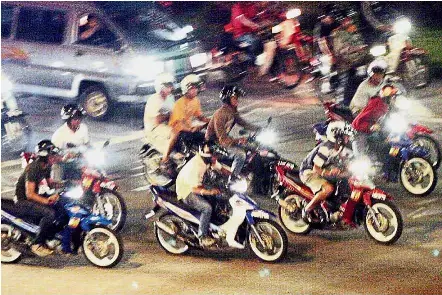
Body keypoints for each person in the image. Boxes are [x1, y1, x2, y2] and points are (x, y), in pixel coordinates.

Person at [14, 140, 66, 257]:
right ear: (45, 156)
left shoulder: (46, 167)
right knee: (49, 214)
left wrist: (65, 184)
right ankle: (37, 244)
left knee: (61, 207)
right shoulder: (33, 168)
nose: (54, 157)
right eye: (52, 155)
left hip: (34, 197)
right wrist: (46, 201)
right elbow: (30, 194)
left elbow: (49, 183)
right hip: (23, 201)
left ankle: (50, 237)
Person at [175, 142, 231, 247]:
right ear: (209, 156)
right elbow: (194, 189)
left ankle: (216, 221)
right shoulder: (196, 166)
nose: (217, 158)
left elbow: (222, 169)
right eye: (215, 156)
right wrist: (209, 192)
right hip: (186, 192)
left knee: (222, 193)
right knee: (207, 208)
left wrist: (236, 176)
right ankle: (202, 237)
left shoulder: (208, 160)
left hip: (198, 185)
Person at [299, 121, 354, 224]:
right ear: (338, 136)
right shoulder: (326, 148)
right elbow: (316, 169)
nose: (348, 138)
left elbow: (345, 161)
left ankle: (336, 206)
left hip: (324, 168)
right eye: (346, 135)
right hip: (309, 172)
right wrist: (329, 172)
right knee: (328, 188)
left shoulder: (340, 146)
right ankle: (307, 209)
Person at [205, 85, 260, 181]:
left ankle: (248, 172)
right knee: (240, 155)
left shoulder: (232, 111)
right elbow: (222, 138)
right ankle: (232, 180)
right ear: (227, 99)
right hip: (214, 143)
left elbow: (243, 123)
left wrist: (258, 128)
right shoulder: (220, 114)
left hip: (224, 139)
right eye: (234, 98)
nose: (237, 100)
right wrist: (237, 141)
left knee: (254, 147)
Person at [352, 84, 400, 179]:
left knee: (388, 145)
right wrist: (370, 126)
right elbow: (359, 121)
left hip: (372, 130)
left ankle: (386, 171)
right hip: (359, 130)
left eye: (394, 97)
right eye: (392, 97)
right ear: (387, 98)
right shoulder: (376, 103)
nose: (394, 99)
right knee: (360, 159)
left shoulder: (387, 106)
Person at [161, 74, 210, 165]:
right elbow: (179, 123)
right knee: (186, 149)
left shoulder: (195, 100)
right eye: (193, 88)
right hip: (178, 130)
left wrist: (211, 120)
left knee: (206, 138)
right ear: (186, 89)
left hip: (188, 128)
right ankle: (165, 159)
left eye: (197, 88)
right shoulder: (179, 103)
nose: (196, 90)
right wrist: (191, 129)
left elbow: (200, 116)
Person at [331, 12, 368, 106]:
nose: (348, 21)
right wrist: (356, 49)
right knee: (345, 85)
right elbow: (339, 51)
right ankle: (342, 104)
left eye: (348, 19)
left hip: (361, 61)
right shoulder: (338, 34)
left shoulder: (354, 30)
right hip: (346, 65)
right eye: (345, 20)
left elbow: (363, 40)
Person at [51, 104, 89, 181]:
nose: (78, 121)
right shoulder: (59, 134)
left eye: (79, 118)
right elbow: (52, 156)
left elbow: (87, 144)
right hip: (63, 164)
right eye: (75, 119)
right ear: (68, 120)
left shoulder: (83, 128)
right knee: (58, 183)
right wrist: (63, 158)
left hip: (79, 161)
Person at [144, 72, 176, 155]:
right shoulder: (154, 100)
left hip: (166, 125)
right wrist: (169, 115)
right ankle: (165, 158)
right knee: (174, 132)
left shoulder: (170, 98)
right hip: (154, 128)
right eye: (168, 86)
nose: (171, 88)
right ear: (160, 86)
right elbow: (156, 121)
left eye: (171, 85)